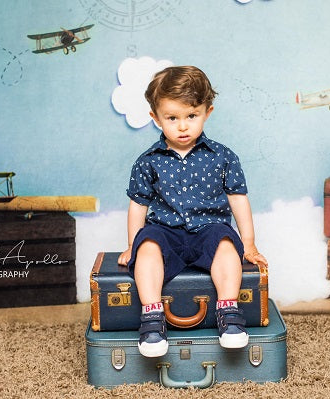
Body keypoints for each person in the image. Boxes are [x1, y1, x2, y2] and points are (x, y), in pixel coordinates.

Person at [118, 65, 268, 358]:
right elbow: (138, 204)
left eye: (191, 116)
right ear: (156, 118)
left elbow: (238, 199)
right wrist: (131, 245)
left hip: (209, 229)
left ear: (207, 113)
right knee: (147, 247)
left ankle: (228, 312)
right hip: (164, 231)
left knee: (226, 245)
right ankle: (152, 317)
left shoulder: (223, 157)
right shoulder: (148, 161)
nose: (183, 126)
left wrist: (248, 243)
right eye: (172, 118)